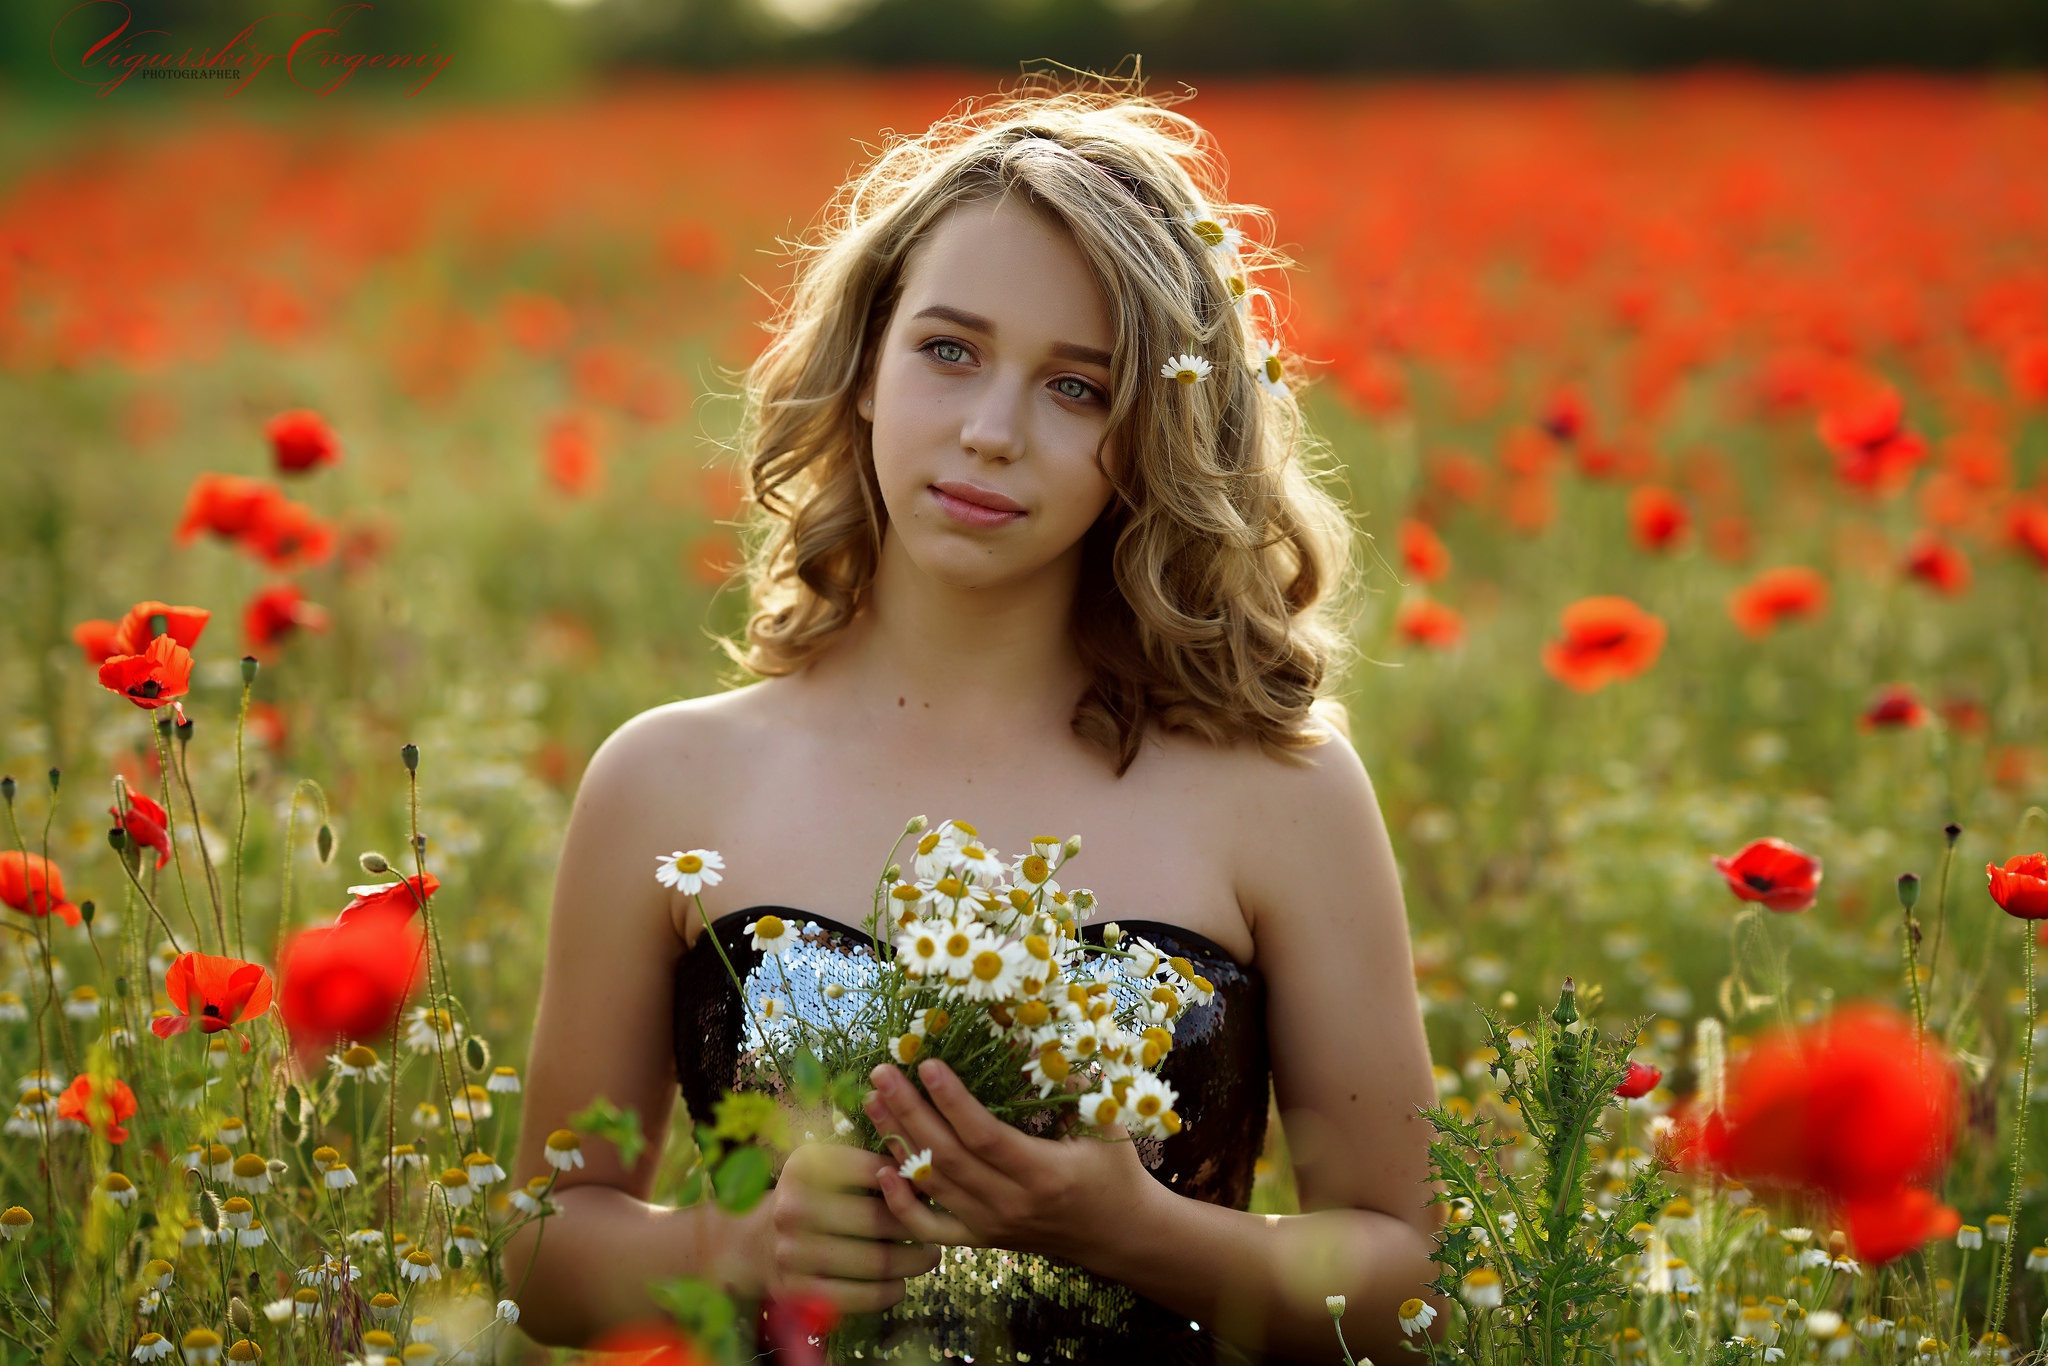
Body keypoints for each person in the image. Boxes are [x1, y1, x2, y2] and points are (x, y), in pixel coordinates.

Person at [507, 66, 1442, 1365]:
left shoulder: (1278, 788)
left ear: (1157, 434)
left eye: (1079, 386)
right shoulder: (667, 782)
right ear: (868, 368)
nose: (993, 430)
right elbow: (544, 1257)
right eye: (949, 351)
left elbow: (1412, 1286)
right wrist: (738, 1247)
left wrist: (1136, 1232)